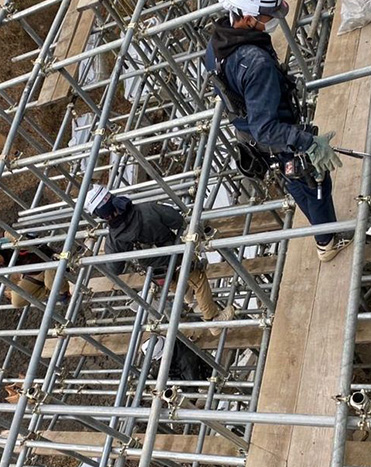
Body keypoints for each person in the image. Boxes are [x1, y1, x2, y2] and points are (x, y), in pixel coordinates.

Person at [204, 0, 352, 262]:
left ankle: (322, 231)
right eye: (266, 15)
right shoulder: (255, 63)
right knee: (316, 182)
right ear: (248, 19)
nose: (271, 19)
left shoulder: (218, 42)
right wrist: (307, 142)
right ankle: (327, 242)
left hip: (251, 133)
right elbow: (267, 129)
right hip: (276, 136)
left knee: (295, 180)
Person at [86, 184, 234, 336]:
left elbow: (115, 268)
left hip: (158, 273)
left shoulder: (114, 239)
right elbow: (176, 220)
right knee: (199, 280)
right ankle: (213, 320)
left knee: (179, 285)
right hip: (177, 259)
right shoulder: (147, 210)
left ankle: (193, 303)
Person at [0, 232, 70, 308]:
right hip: (33, 273)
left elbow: (27, 242)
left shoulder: (6, 235)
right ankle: (51, 293)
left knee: (51, 284)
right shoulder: (1, 262)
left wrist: (10, 241)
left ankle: (64, 290)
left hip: (47, 261)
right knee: (17, 301)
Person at [142, 335, 212, 387]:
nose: (157, 361)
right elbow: (160, 365)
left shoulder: (185, 359)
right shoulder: (174, 345)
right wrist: (152, 375)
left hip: (203, 376)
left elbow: (191, 382)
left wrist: (171, 383)